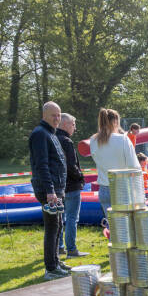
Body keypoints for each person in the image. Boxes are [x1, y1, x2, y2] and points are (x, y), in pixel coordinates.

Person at [28, 101, 70, 280]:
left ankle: (56, 261)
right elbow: (42, 165)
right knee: (52, 227)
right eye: (53, 115)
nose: (57, 118)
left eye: (59, 115)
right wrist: (50, 191)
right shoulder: (40, 134)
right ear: (44, 115)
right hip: (49, 190)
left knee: (58, 225)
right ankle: (50, 268)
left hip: (57, 188)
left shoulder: (51, 134)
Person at [89, 108, 140, 216]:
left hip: (103, 188)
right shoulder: (123, 139)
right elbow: (134, 167)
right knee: (126, 230)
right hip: (122, 188)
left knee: (112, 228)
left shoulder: (93, 140)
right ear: (115, 122)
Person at [55, 113, 89, 258]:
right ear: (65, 124)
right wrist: (80, 177)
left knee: (60, 218)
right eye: (73, 124)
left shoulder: (52, 138)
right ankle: (72, 249)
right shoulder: (66, 141)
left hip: (58, 186)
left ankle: (60, 247)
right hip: (71, 185)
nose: (75, 128)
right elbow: (71, 165)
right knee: (71, 218)